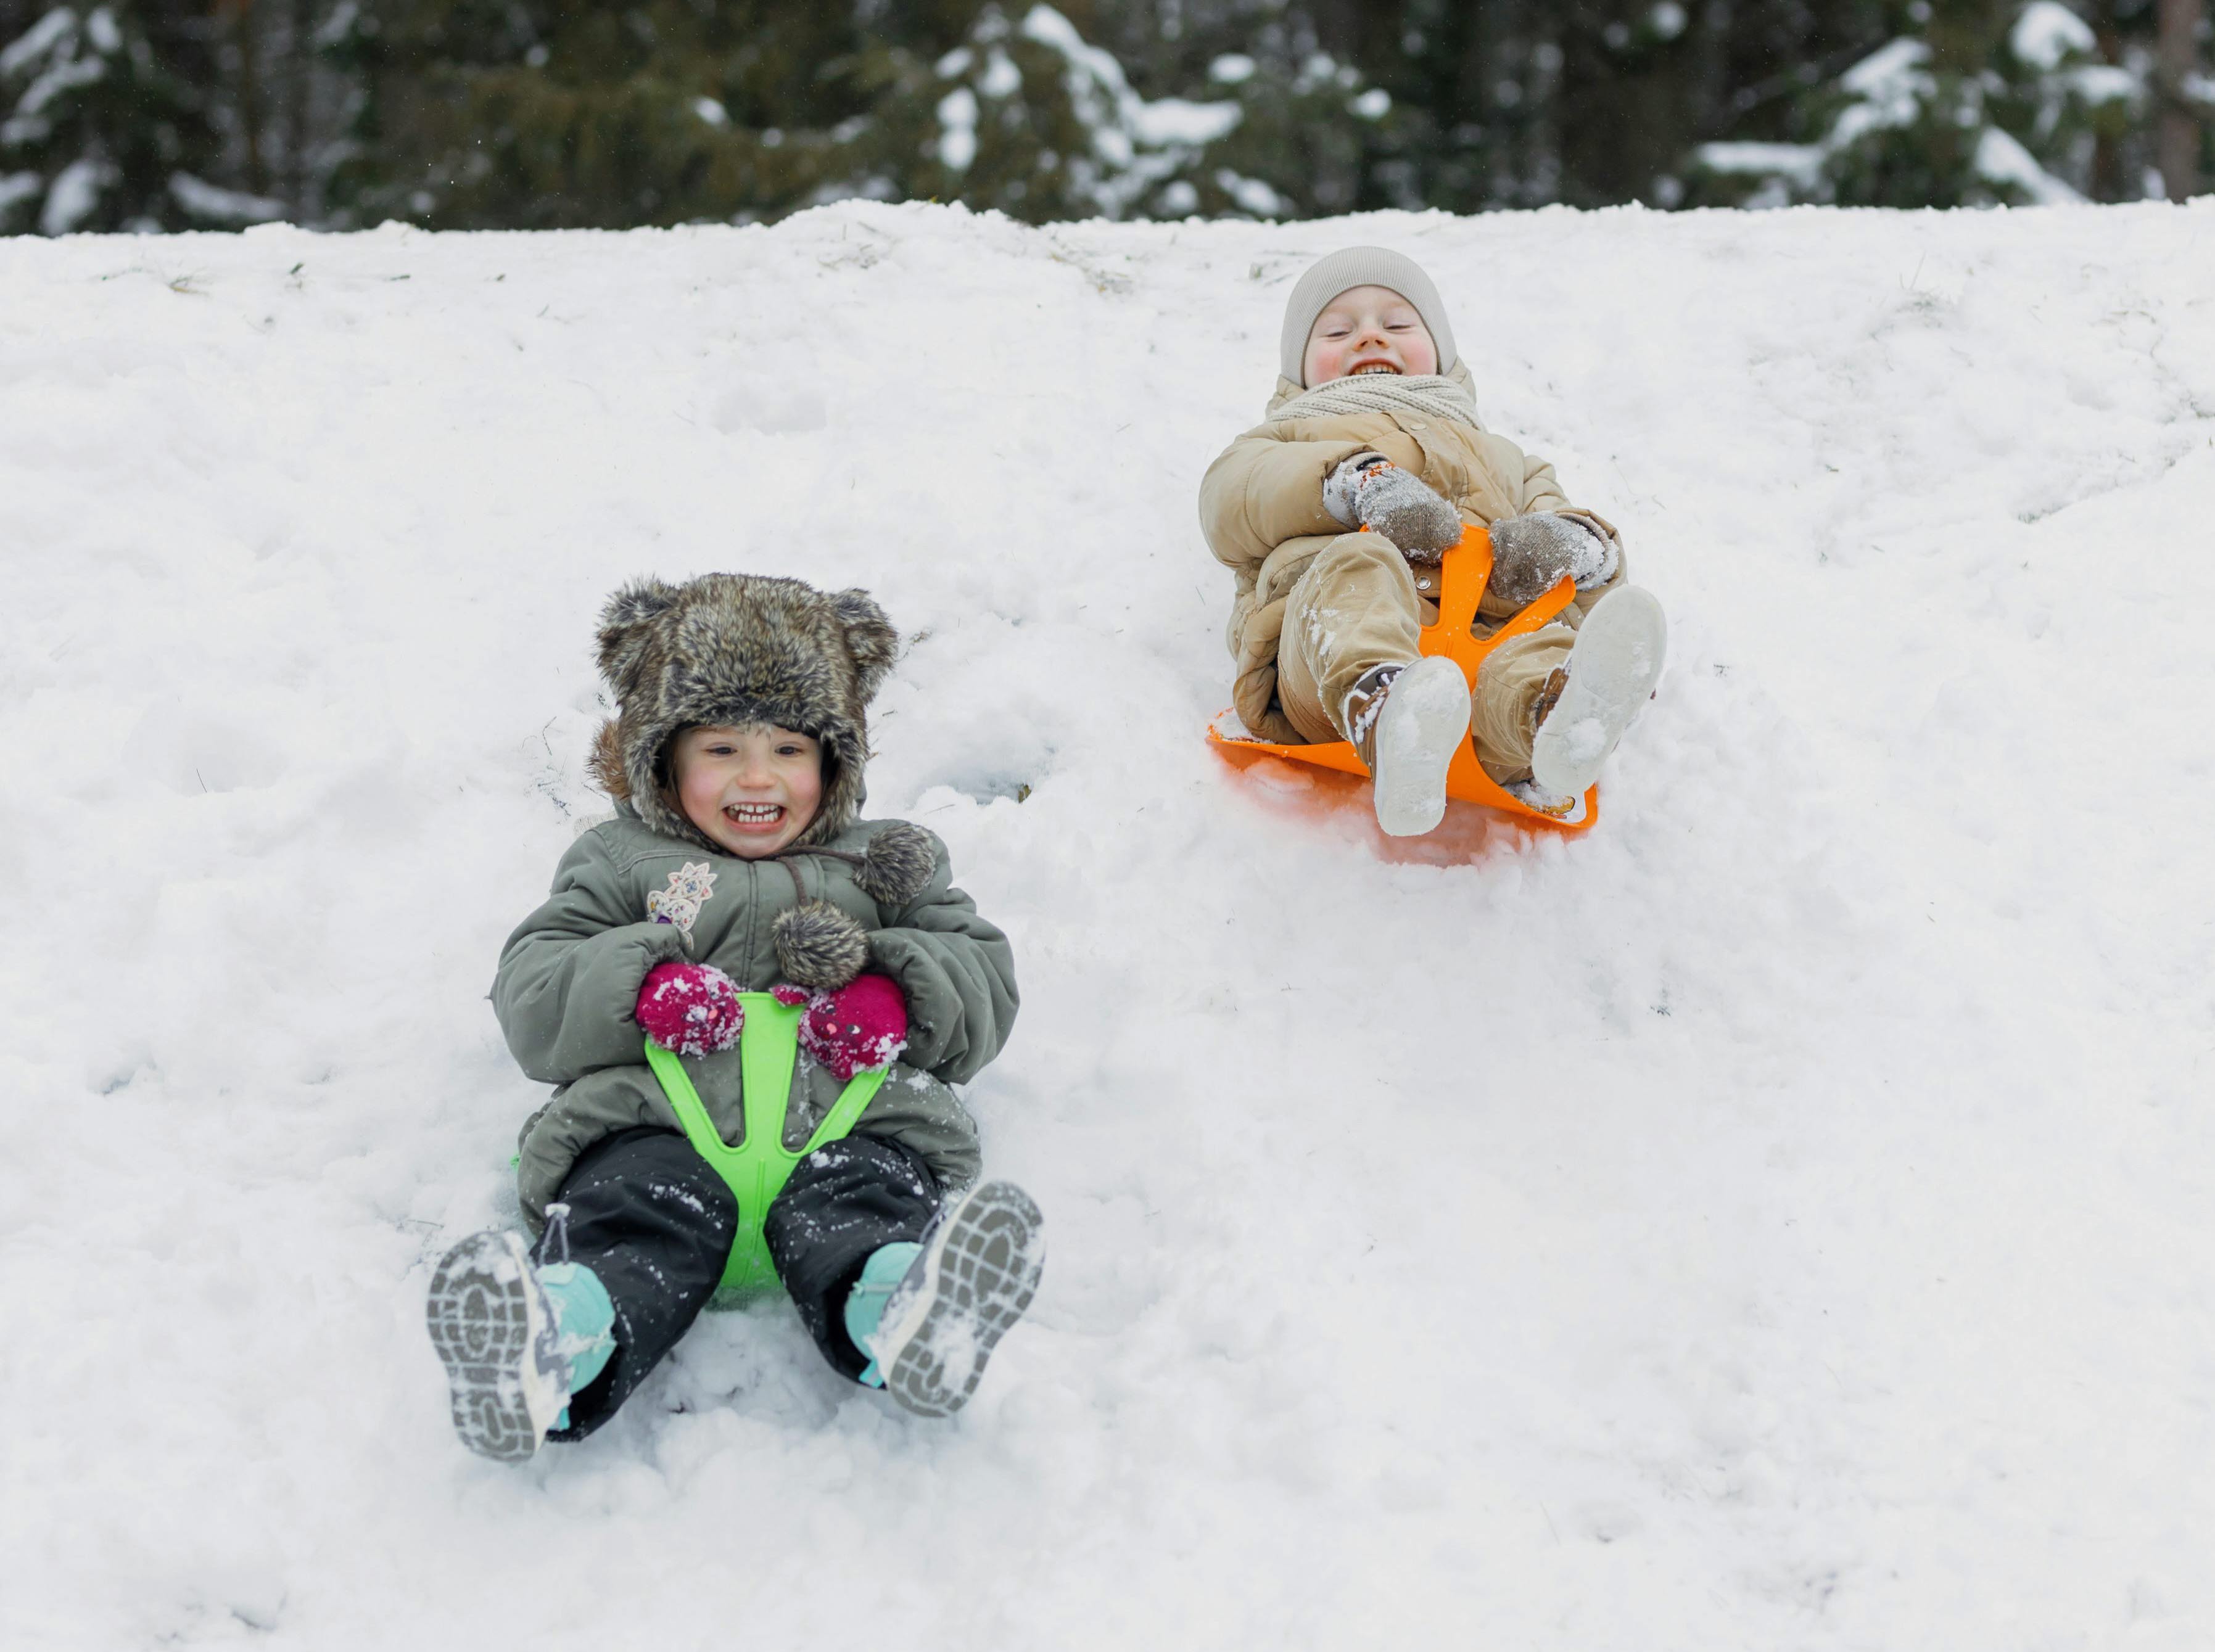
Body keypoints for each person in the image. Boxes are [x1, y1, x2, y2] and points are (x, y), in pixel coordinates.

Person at [426, 572, 1042, 1461]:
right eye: (720, 748)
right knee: (633, 1223)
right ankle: (550, 1342)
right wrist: (639, 982)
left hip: (846, 1122)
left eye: (789, 747)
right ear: (661, 756)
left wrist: (895, 992)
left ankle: (907, 1311)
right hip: (658, 1126)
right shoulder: (616, 861)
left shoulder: (887, 864)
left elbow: (984, 978)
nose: (758, 778)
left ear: (834, 762)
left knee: (863, 1207)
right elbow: (532, 992)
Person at [1198, 246, 1667, 834]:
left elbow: (1566, 533)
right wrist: (1355, 481)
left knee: (1531, 645)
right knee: (1358, 564)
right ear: (1296, 371)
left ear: (1444, 356)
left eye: (1397, 324)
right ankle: (1386, 709)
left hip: (1484, 640)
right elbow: (1231, 501)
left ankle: (1555, 715)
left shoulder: (1508, 460)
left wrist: (1575, 547)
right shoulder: (1285, 436)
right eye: (1337, 329)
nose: (1369, 338)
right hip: (1325, 671)